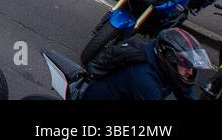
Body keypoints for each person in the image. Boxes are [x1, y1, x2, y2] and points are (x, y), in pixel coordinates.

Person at [80, 27, 209, 101]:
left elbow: (185, 91)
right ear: (170, 58)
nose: (190, 72)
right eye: (186, 65)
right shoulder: (144, 79)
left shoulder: (165, 65)